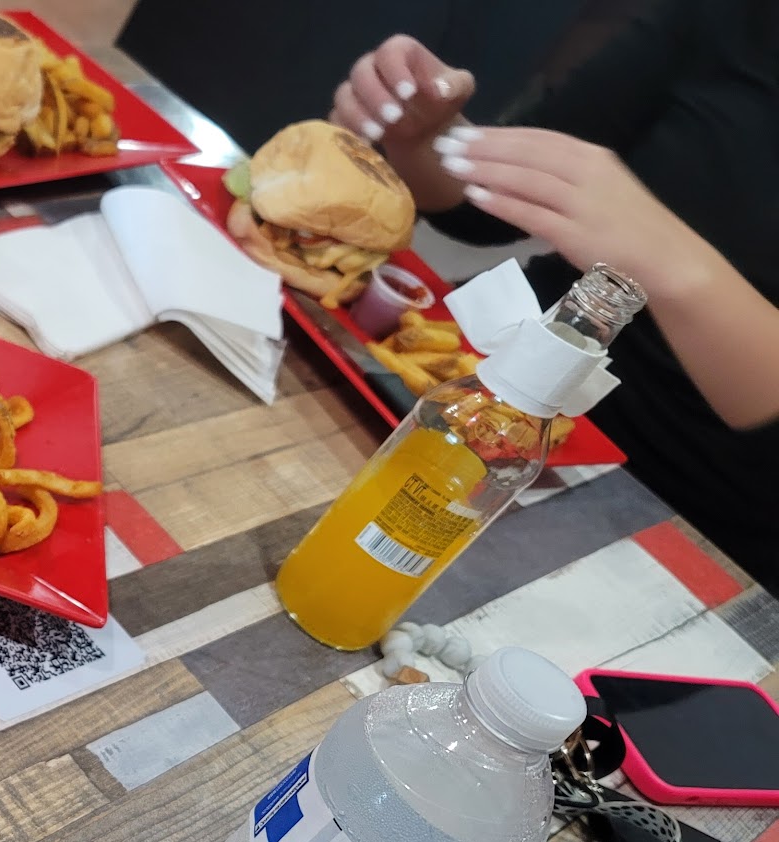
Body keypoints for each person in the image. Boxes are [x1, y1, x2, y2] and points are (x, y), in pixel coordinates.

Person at [328, 1, 779, 591]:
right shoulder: (733, 20)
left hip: (691, 531)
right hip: (473, 389)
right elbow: (483, 213)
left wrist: (682, 272)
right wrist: (425, 136)